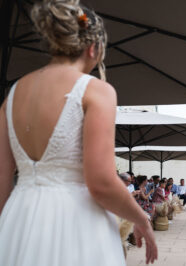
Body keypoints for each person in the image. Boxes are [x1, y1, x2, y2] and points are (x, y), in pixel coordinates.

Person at [0, 1, 158, 265]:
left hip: (18, 219)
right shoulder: (96, 91)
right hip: (76, 224)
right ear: (93, 47)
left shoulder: (13, 94)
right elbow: (101, 183)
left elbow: (2, 181)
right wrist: (141, 219)